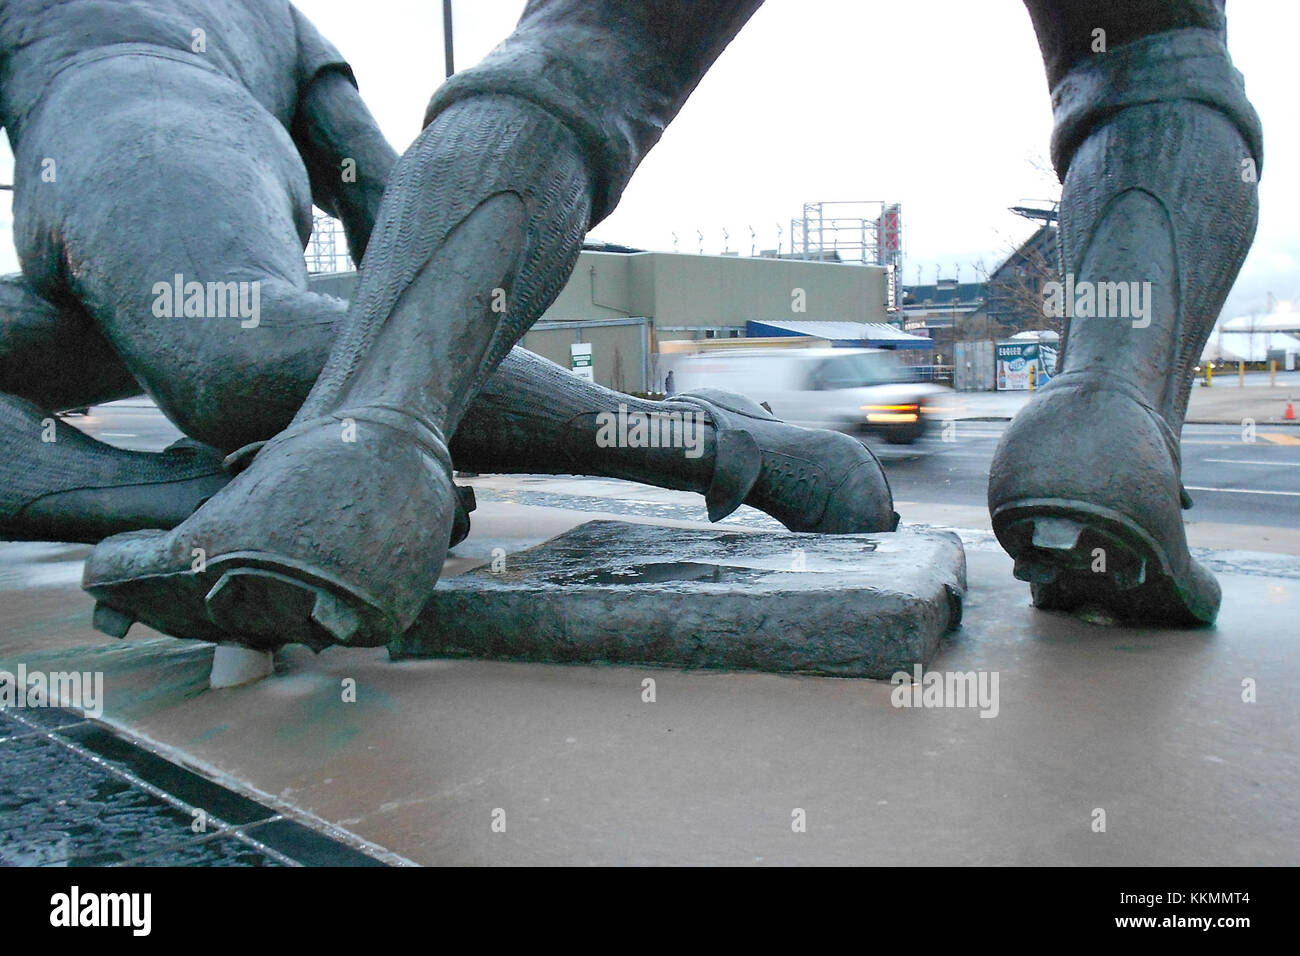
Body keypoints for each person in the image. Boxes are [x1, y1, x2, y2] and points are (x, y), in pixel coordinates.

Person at [0, 0, 1261, 650]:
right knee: (1148, 53)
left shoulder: (203, 35)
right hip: (95, 242)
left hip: (139, 125)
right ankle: (1102, 418)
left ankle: (375, 449)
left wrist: (376, 393)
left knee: (584, 50)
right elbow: (378, 198)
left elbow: (380, 200)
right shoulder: (282, 22)